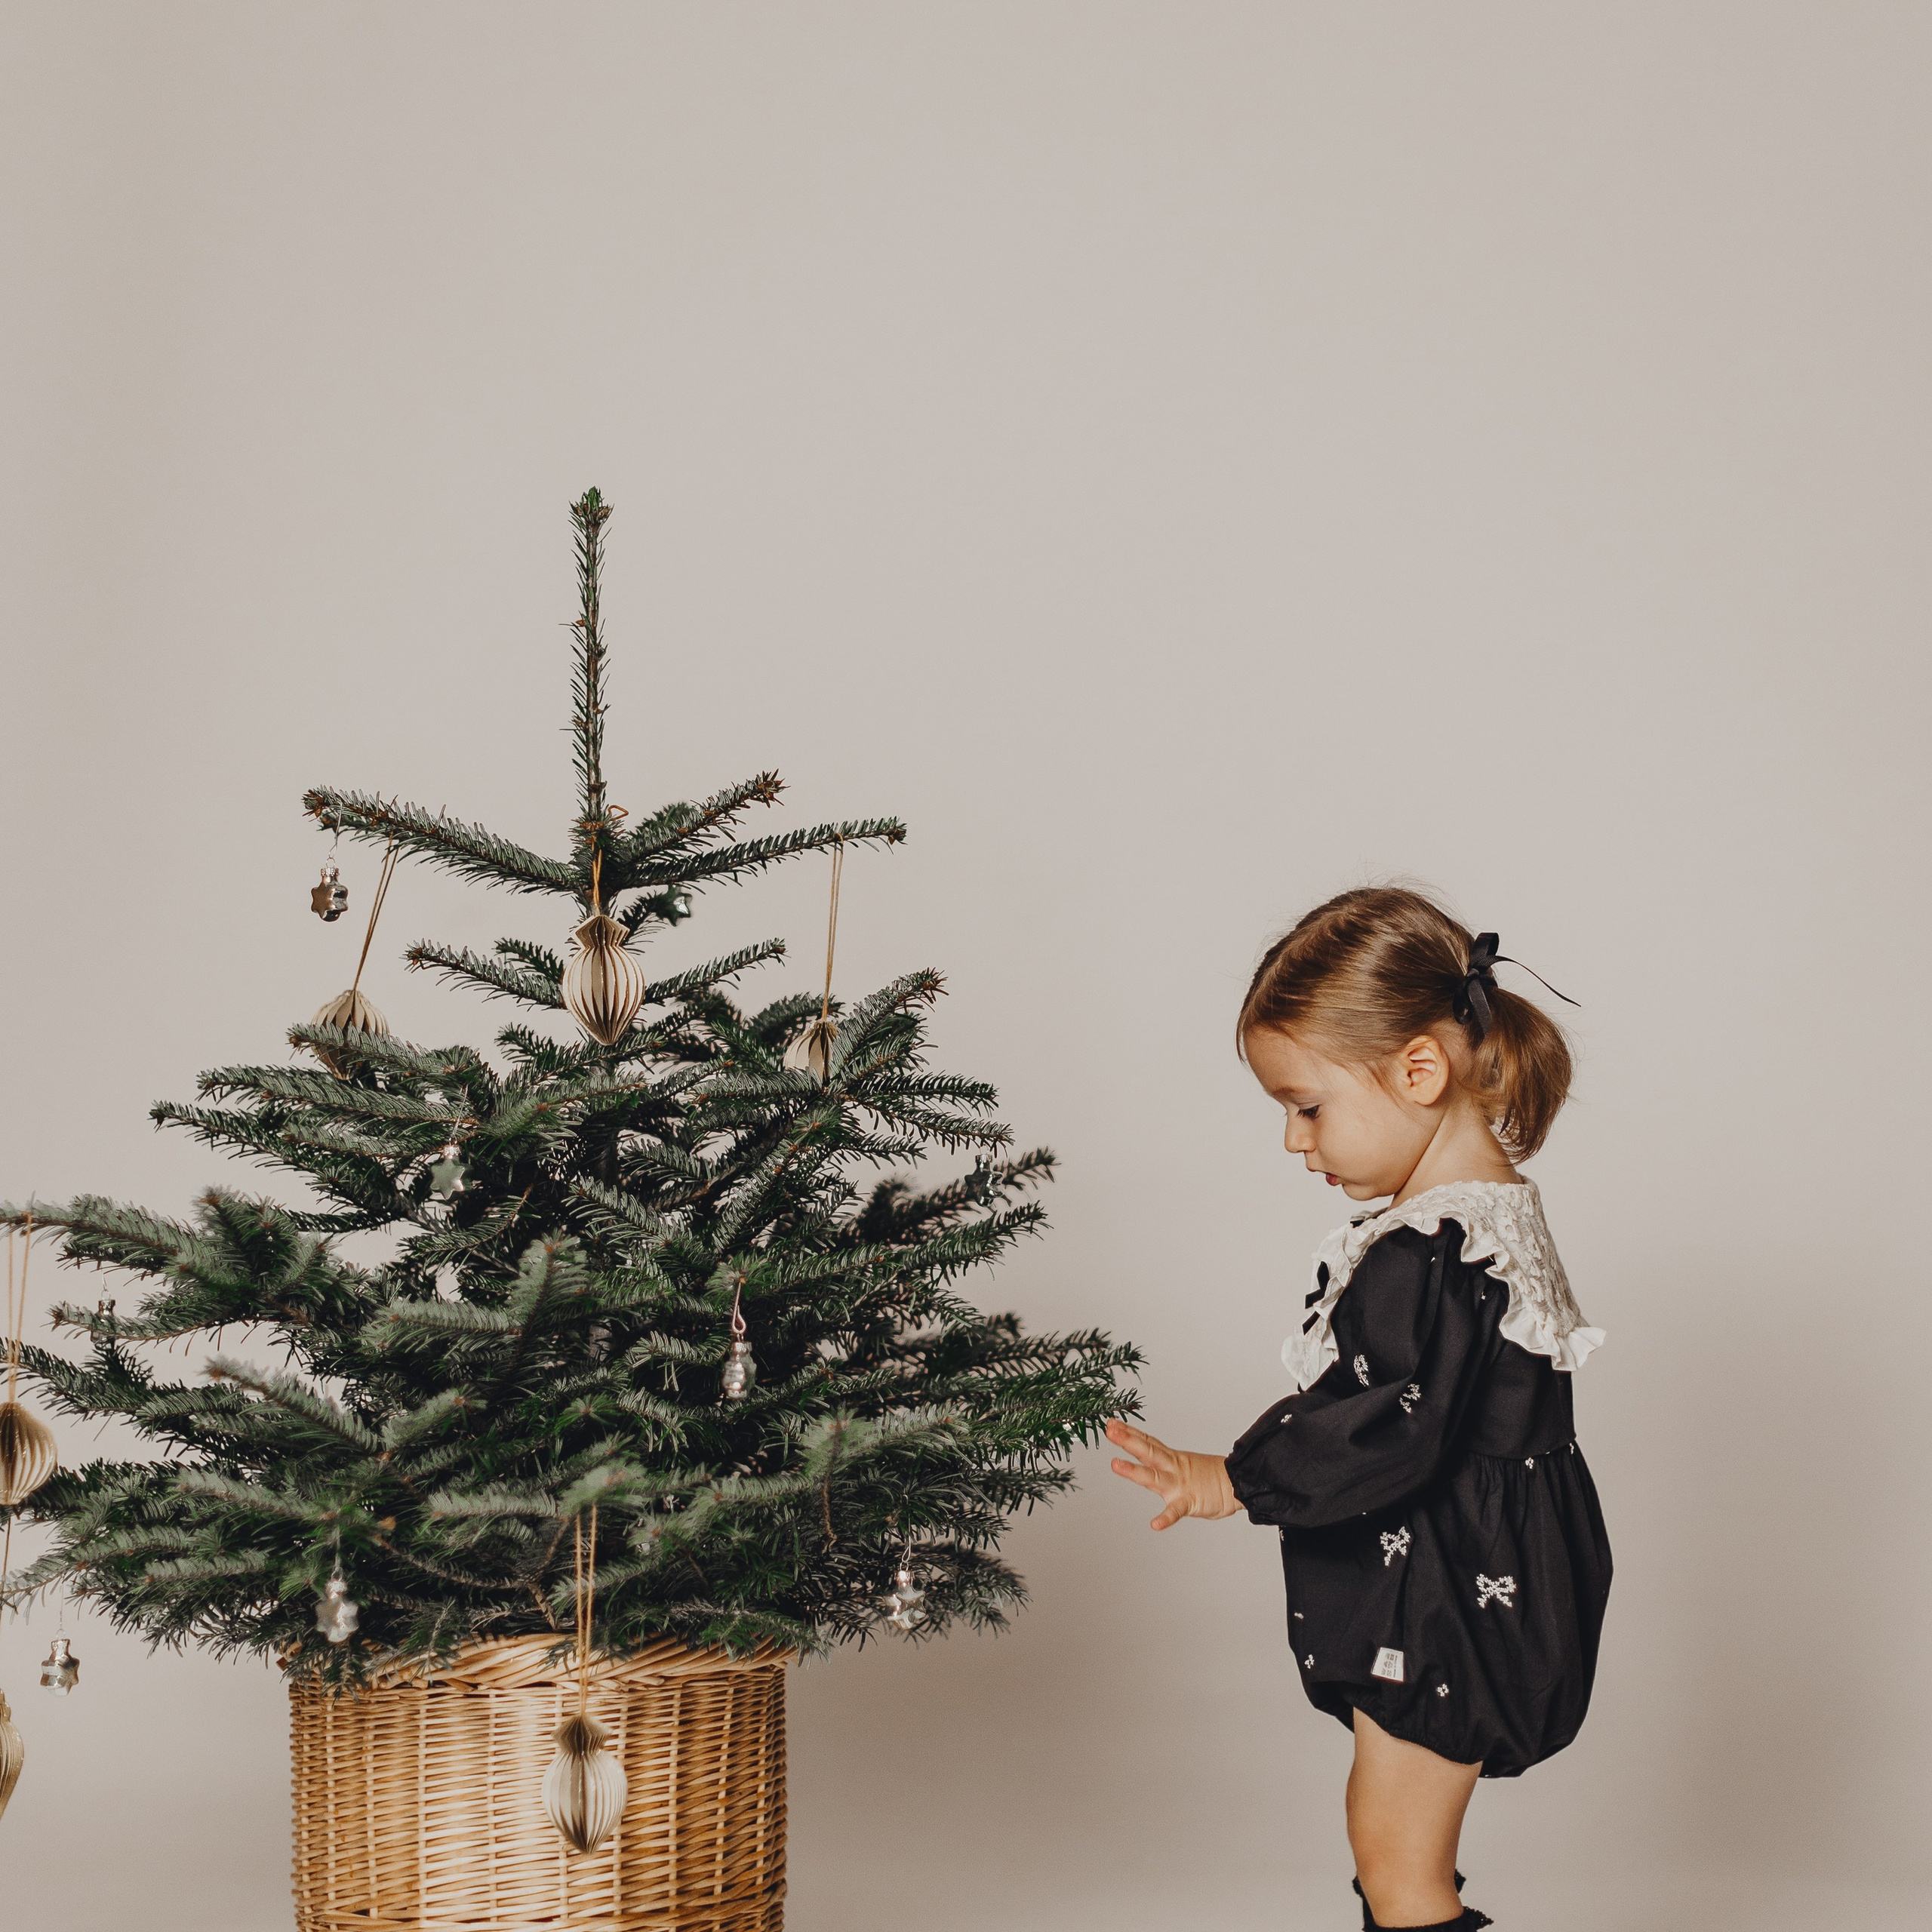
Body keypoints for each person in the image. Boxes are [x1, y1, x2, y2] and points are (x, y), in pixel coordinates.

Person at [1106, 888, 1612, 1932]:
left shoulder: (1432, 1249)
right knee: (1393, 1843)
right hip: (1479, 1576)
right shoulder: (1485, 1217)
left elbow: (1391, 1419)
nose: (1297, 1143)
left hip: (1455, 1602)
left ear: (1419, 1071)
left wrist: (1232, 1480)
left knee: (1397, 1859)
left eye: (1308, 1105)